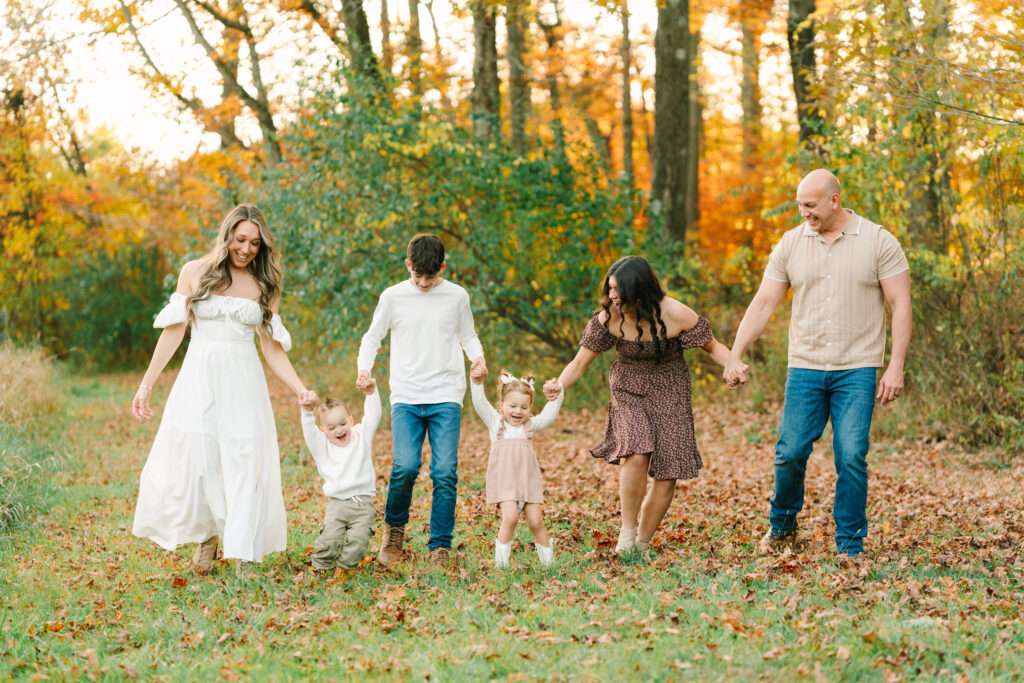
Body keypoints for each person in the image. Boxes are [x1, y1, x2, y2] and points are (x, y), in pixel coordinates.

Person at [723, 169, 911, 559]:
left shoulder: (878, 240)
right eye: (800, 206)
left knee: (851, 454)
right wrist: (734, 354)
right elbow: (764, 303)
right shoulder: (791, 243)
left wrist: (896, 366)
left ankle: (850, 545)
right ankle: (782, 527)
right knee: (790, 452)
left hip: (856, 368)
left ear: (834, 200)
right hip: (805, 367)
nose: (804, 212)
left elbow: (900, 303)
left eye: (810, 205)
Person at [131, 204, 315, 576]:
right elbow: (174, 332)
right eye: (240, 239)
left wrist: (300, 387)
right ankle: (208, 536)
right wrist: (146, 384)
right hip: (199, 377)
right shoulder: (193, 272)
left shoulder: (265, 284)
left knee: (244, 459)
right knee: (203, 460)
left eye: (254, 243)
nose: (246, 249)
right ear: (227, 234)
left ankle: (242, 549)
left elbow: (271, 347)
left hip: (243, 380)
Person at [543, 255, 731, 557]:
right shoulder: (609, 317)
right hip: (628, 388)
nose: (612, 296)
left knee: (668, 473)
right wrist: (559, 385)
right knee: (636, 452)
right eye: (609, 288)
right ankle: (627, 534)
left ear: (639, 289)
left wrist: (733, 365)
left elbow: (713, 346)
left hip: (670, 389)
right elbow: (579, 362)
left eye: (618, 290)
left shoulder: (675, 312)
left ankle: (641, 545)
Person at [357, 233, 487, 568]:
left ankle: (439, 546)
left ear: (442, 267)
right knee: (406, 466)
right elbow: (372, 337)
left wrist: (478, 359)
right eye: (418, 276)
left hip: (446, 394)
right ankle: (393, 534)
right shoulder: (393, 297)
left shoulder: (457, 296)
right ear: (407, 266)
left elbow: (468, 335)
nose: (424, 283)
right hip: (406, 395)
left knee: (444, 471)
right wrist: (364, 369)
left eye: (431, 276)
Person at [470, 370, 564, 569]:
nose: (518, 411)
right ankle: (501, 565)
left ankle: (548, 565)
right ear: (502, 405)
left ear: (529, 408)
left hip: (528, 480)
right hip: (505, 481)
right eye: (512, 406)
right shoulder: (495, 423)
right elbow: (480, 404)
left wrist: (557, 393)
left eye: (524, 407)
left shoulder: (529, 425)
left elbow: (549, 415)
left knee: (536, 522)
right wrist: (476, 382)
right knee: (511, 517)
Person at [300, 381, 381, 575]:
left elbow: (373, 416)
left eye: (343, 424)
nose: (339, 430)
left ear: (351, 421)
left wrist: (371, 393)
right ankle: (320, 567)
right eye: (332, 427)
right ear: (323, 430)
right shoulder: (322, 446)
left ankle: (344, 569)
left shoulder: (361, 436)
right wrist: (307, 412)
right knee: (329, 540)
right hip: (337, 505)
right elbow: (309, 433)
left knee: (359, 541)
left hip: (362, 504)